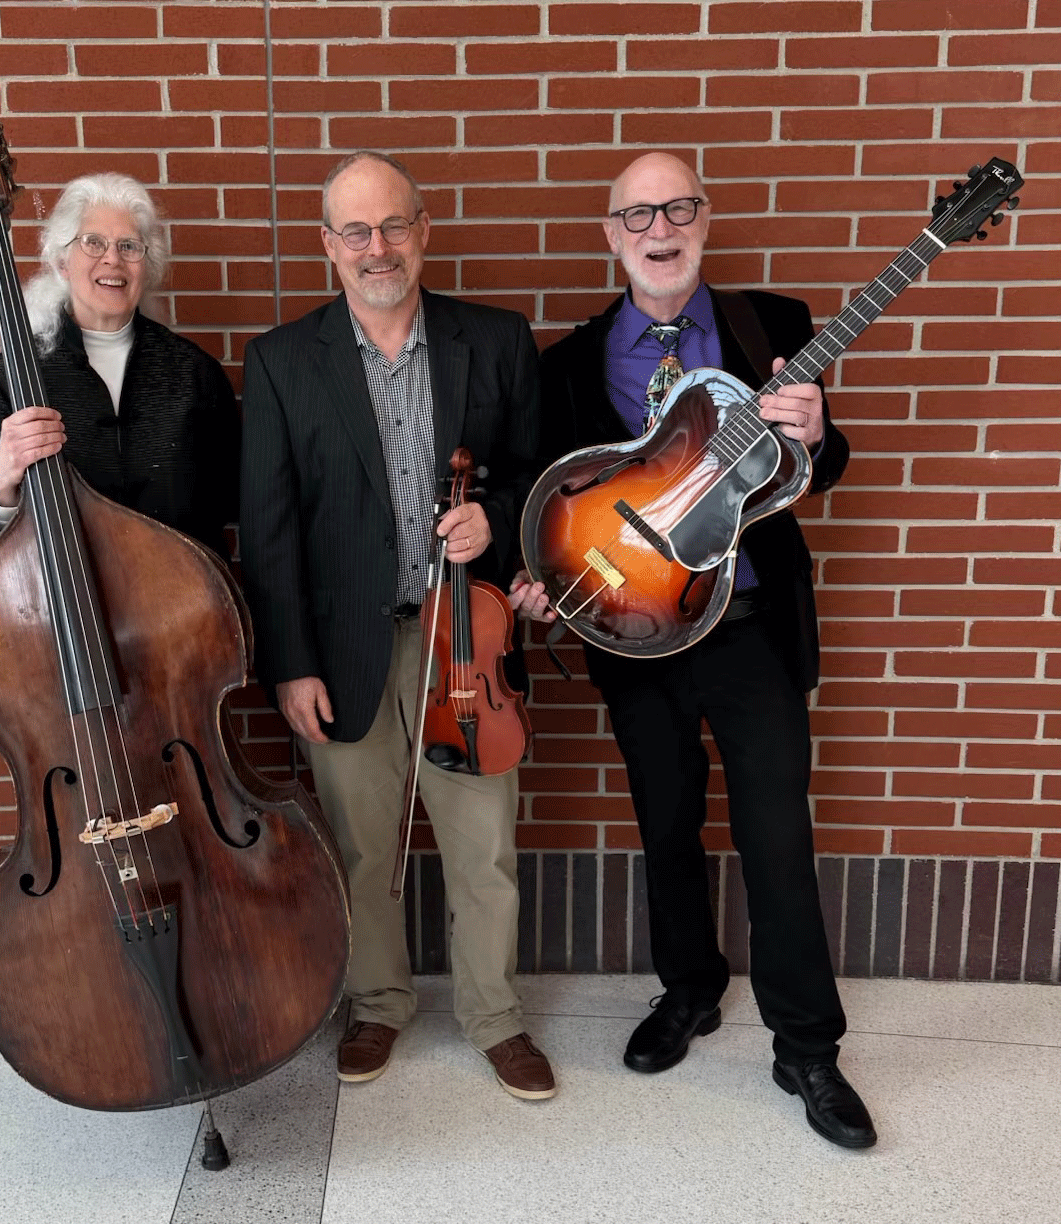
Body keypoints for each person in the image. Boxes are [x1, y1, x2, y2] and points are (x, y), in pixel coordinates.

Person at [509, 151, 876, 1147]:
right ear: (612, 233)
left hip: (751, 628)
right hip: (636, 635)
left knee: (777, 840)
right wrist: (542, 581)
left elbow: (817, 469)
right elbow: (558, 498)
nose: (658, 229)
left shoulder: (775, 327)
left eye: (677, 209)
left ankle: (807, 1047)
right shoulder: (572, 363)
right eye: (638, 214)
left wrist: (818, 423)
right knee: (666, 826)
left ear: (704, 220)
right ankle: (691, 989)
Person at [238, 151, 554, 1100]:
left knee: (482, 841)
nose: (378, 249)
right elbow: (271, 525)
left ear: (423, 230)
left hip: (470, 639)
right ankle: (378, 1004)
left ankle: (494, 1016)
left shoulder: (494, 340)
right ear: (328, 245)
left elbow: (541, 481)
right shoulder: (284, 358)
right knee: (364, 843)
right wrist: (290, 663)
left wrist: (498, 525)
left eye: (395, 226)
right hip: (343, 645)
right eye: (356, 231)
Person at [0, 173, 239, 557]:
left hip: (180, 606)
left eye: (129, 246)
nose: (112, 258)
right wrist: (0, 480)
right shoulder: (7, 379)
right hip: (64, 610)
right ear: (62, 262)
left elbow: (230, 501)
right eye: (92, 243)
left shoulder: (195, 373)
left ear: (146, 265)